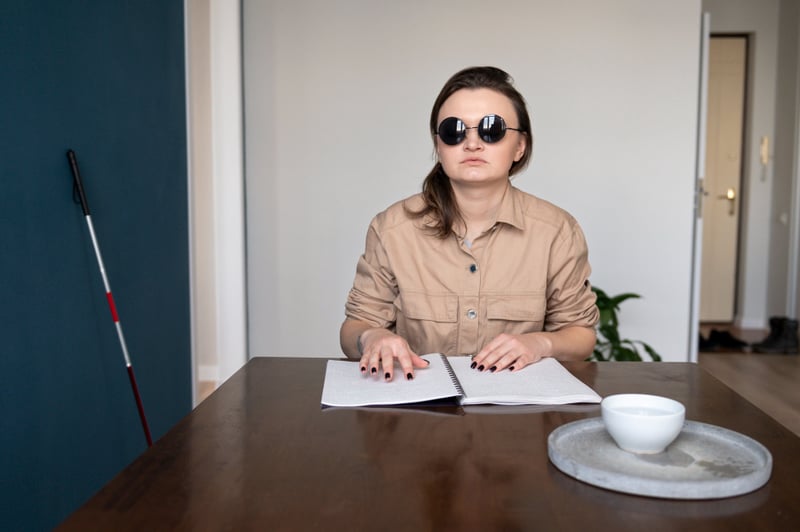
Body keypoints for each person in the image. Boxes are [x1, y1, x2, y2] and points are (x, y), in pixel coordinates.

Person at [340, 66, 598, 381]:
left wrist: (540, 343)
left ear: (520, 146)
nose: (472, 144)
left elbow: (580, 334)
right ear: (439, 145)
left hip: (519, 413)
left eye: (492, 129)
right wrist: (371, 338)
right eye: (454, 131)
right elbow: (355, 326)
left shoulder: (556, 231)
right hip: (419, 413)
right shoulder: (391, 229)